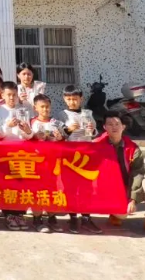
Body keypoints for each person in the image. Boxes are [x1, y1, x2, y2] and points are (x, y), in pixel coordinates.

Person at [97, 111, 145, 238]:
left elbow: (137, 173)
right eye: (110, 124)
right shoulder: (97, 145)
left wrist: (133, 199)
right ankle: (114, 214)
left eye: (117, 124)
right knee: (122, 214)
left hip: (127, 186)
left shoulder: (132, 148)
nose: (114, 127)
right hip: (108, 189)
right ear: (104, 127)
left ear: (123, 126)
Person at [59, 85, 101, 234]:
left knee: (86, 187)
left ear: (81, 99)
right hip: (69, 157)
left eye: (75, 99)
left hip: (85, 155)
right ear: (64, 99)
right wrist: (68, 130)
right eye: (69, 99)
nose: (72, 102)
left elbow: (95, 132)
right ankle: (72, 217)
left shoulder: (88, 113)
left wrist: (92, 129)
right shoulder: (62, 115)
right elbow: (58, 135)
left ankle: (86, 217)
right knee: (69, 187)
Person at [0, 81, 33, 231]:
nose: (12, 98)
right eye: (9, 95)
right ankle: (9, 214)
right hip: (6, 152)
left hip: (22, 152)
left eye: (14, 95)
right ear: (2, 95)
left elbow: (29, 135)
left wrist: (27, 130)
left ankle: (20, 213)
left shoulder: (23, 110)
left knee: (22, 184)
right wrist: (8, 126)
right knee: (8, 183)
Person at [30, 93, 64, 233]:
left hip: (51, 161)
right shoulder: (31, 122)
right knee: (37, 189)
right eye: (42, 107)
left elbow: (64, 137)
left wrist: (59, 137)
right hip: (36, 162)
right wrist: (34, 136)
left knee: (52, 188)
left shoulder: (55, 122)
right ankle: (37, 218)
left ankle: (51, 216)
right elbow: (25, 138)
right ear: (35, 108)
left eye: (47, 106)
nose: (45, 109)